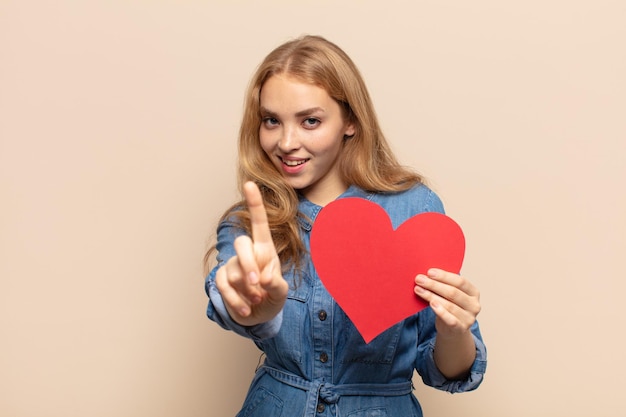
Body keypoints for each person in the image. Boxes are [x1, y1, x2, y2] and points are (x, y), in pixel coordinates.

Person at [204, 35, 487, 417]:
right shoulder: (250, 222)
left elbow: (446, 371)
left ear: (350, 121)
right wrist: (249, 306)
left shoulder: (415, 209)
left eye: (310, 121)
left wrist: (454, 331)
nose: (286, 142)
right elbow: (227, 297)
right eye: (271, 120)